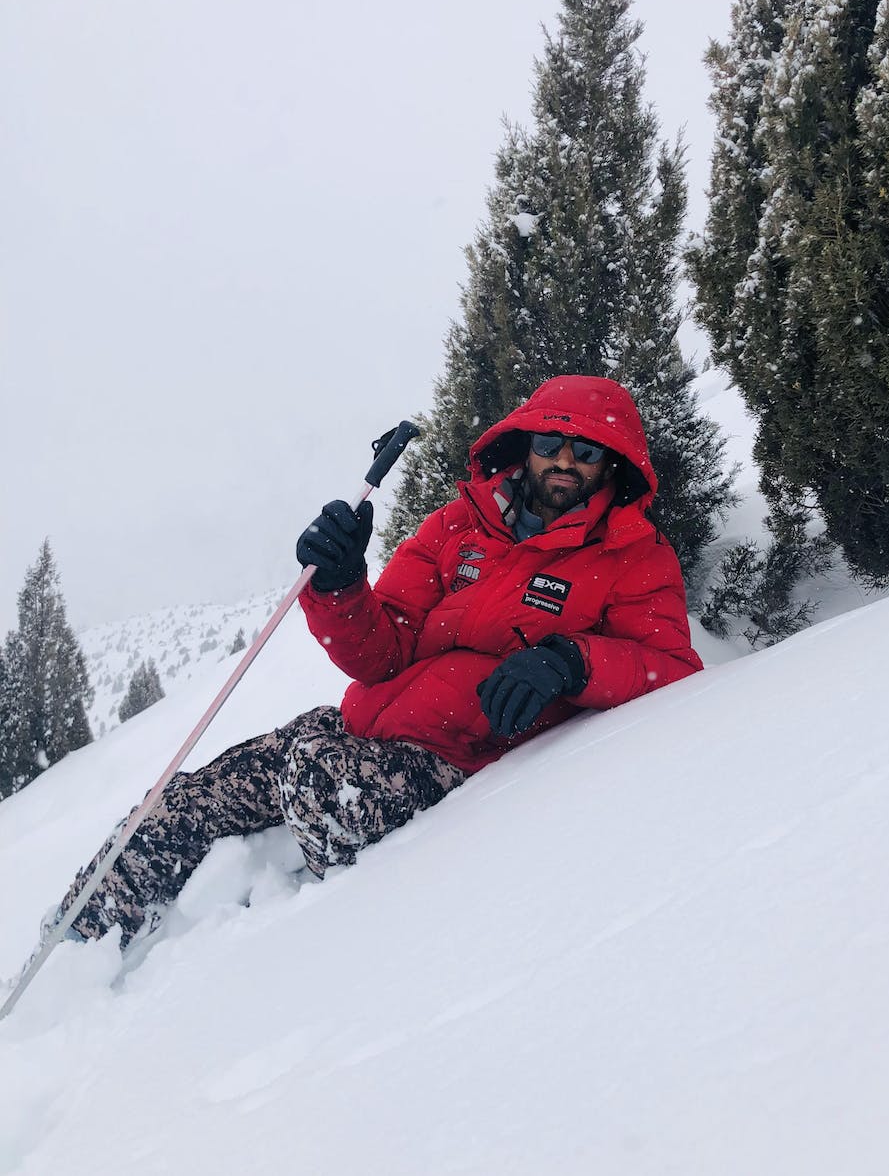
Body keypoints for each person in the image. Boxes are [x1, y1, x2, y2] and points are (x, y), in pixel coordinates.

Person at [56, 375, 703, 946]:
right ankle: (77, 939)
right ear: (525, 447)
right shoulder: (454, 527)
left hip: (454, 761)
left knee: (315, 782)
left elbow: (670, 667)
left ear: (612, 463)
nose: (564, 461)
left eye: (586, 450)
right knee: (184, 797)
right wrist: (337, 584)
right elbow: (379, 651)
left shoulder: (632, 557)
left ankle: (295, 956)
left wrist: (570, 661)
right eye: (550, 445)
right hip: (358, 725)